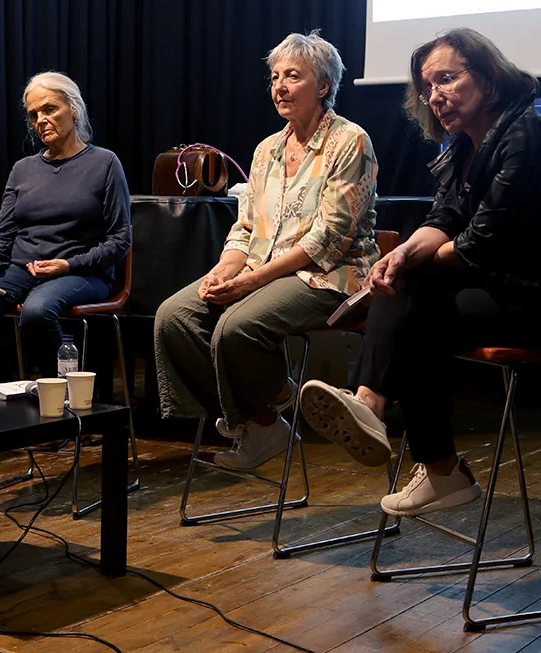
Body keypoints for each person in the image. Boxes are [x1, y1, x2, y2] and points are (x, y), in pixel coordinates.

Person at [300, 27, 541, 517]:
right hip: (509, 285)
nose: (434, 96)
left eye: (446, 79)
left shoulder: (526, 141)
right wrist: (403, 254)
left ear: (489, 81)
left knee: (416, 293)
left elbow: (478, 245)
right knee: (407, 281)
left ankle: (421, 451)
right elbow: (442, 220)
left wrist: (409, 259)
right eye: (427, 87)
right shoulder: (463, 148)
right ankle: (384, 420)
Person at [154, 31, 379, 472]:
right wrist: (224, 271)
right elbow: (245, 228)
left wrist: (254, 280)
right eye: (274, 77)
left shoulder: (350, 141)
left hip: (330, 274)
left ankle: (263, 402)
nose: (279, 86)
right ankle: (262, 417)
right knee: (174, 317)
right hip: (262, 269)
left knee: (236, 327)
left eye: (292, 76)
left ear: (324, 87)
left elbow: (329, 238)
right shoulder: (267, 150)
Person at [0, 72, 130, 374]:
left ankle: (60, 394)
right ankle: (2, 395)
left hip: (83, 271)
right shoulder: (23, 169)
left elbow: (119, 239)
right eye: (34, 114)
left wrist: (68, 265)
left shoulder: (104, 163)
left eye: (50, 109)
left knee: (37, 311)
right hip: (22, 269)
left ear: (73, 109)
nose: (41, 120)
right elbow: (3, 232)